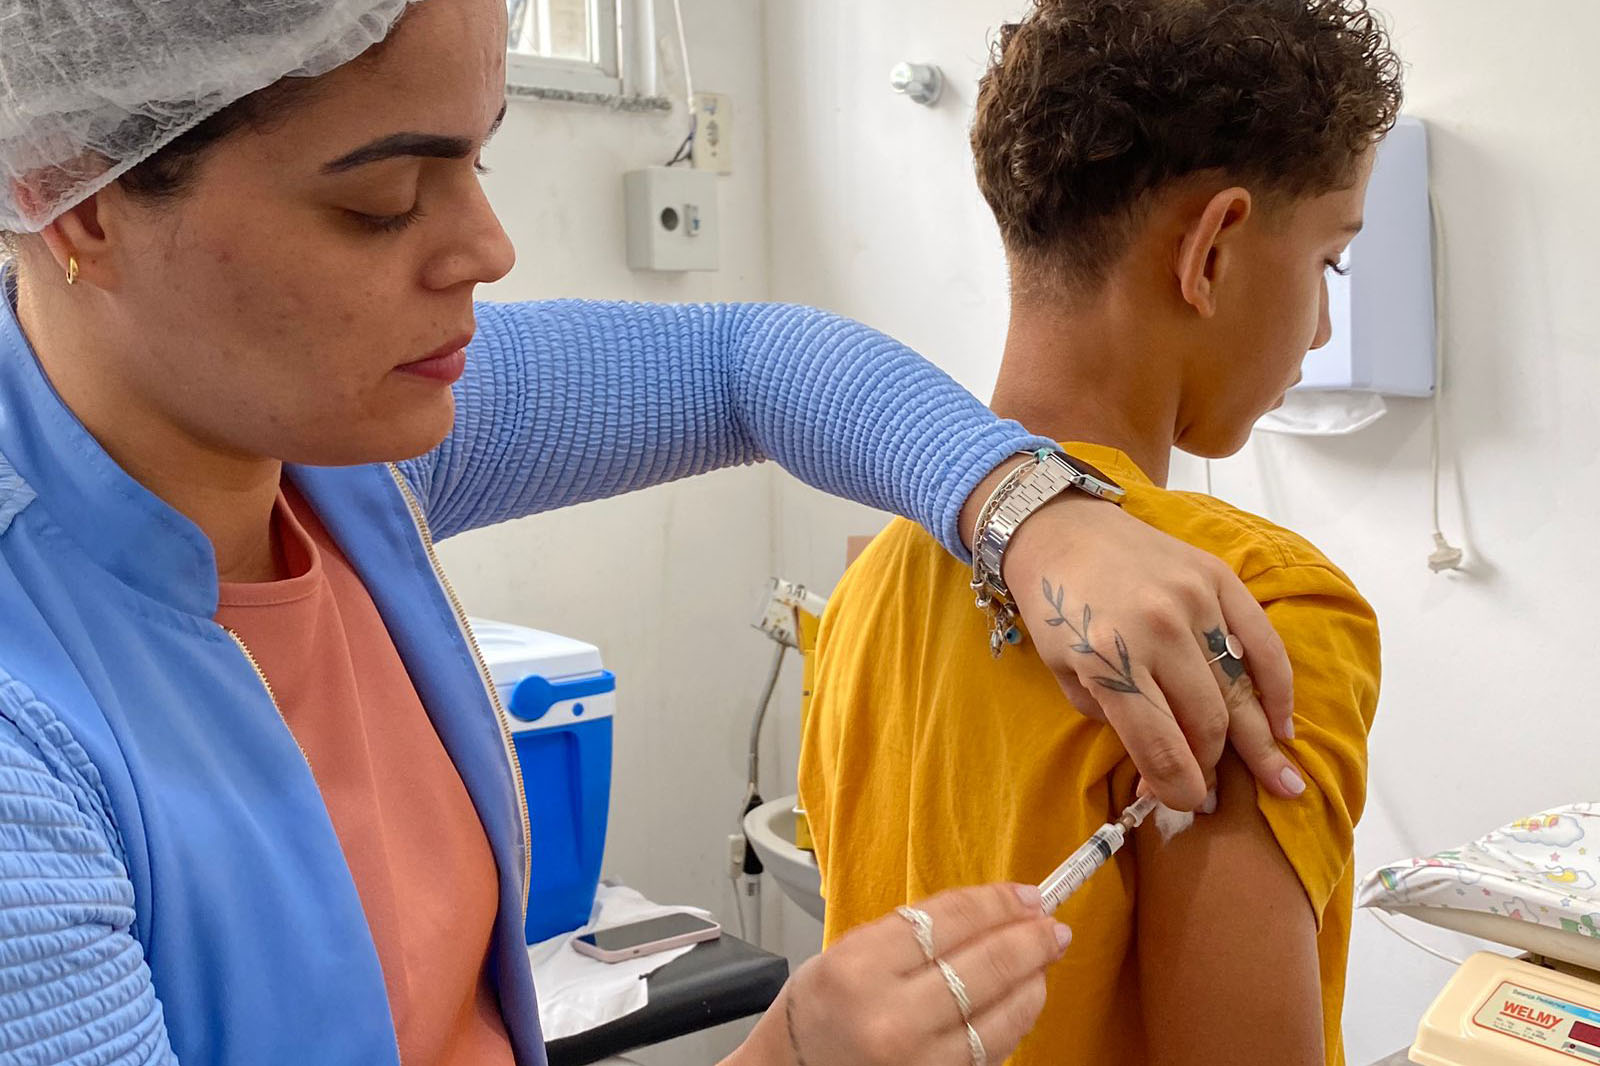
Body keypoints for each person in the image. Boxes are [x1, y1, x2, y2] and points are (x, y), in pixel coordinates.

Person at [0, 0, 1307, 1063]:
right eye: (383, 198)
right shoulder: (27, 747)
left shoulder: (318, 446)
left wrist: (1030, 512)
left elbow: (751, 361)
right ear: (78, 200)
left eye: (479, 154)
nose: (490, 245)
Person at [799, 1, 1398, 1063]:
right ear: (1211, 249)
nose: (1318, 326)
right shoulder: (1250, 606)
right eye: (1328, 264)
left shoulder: (869, 582)